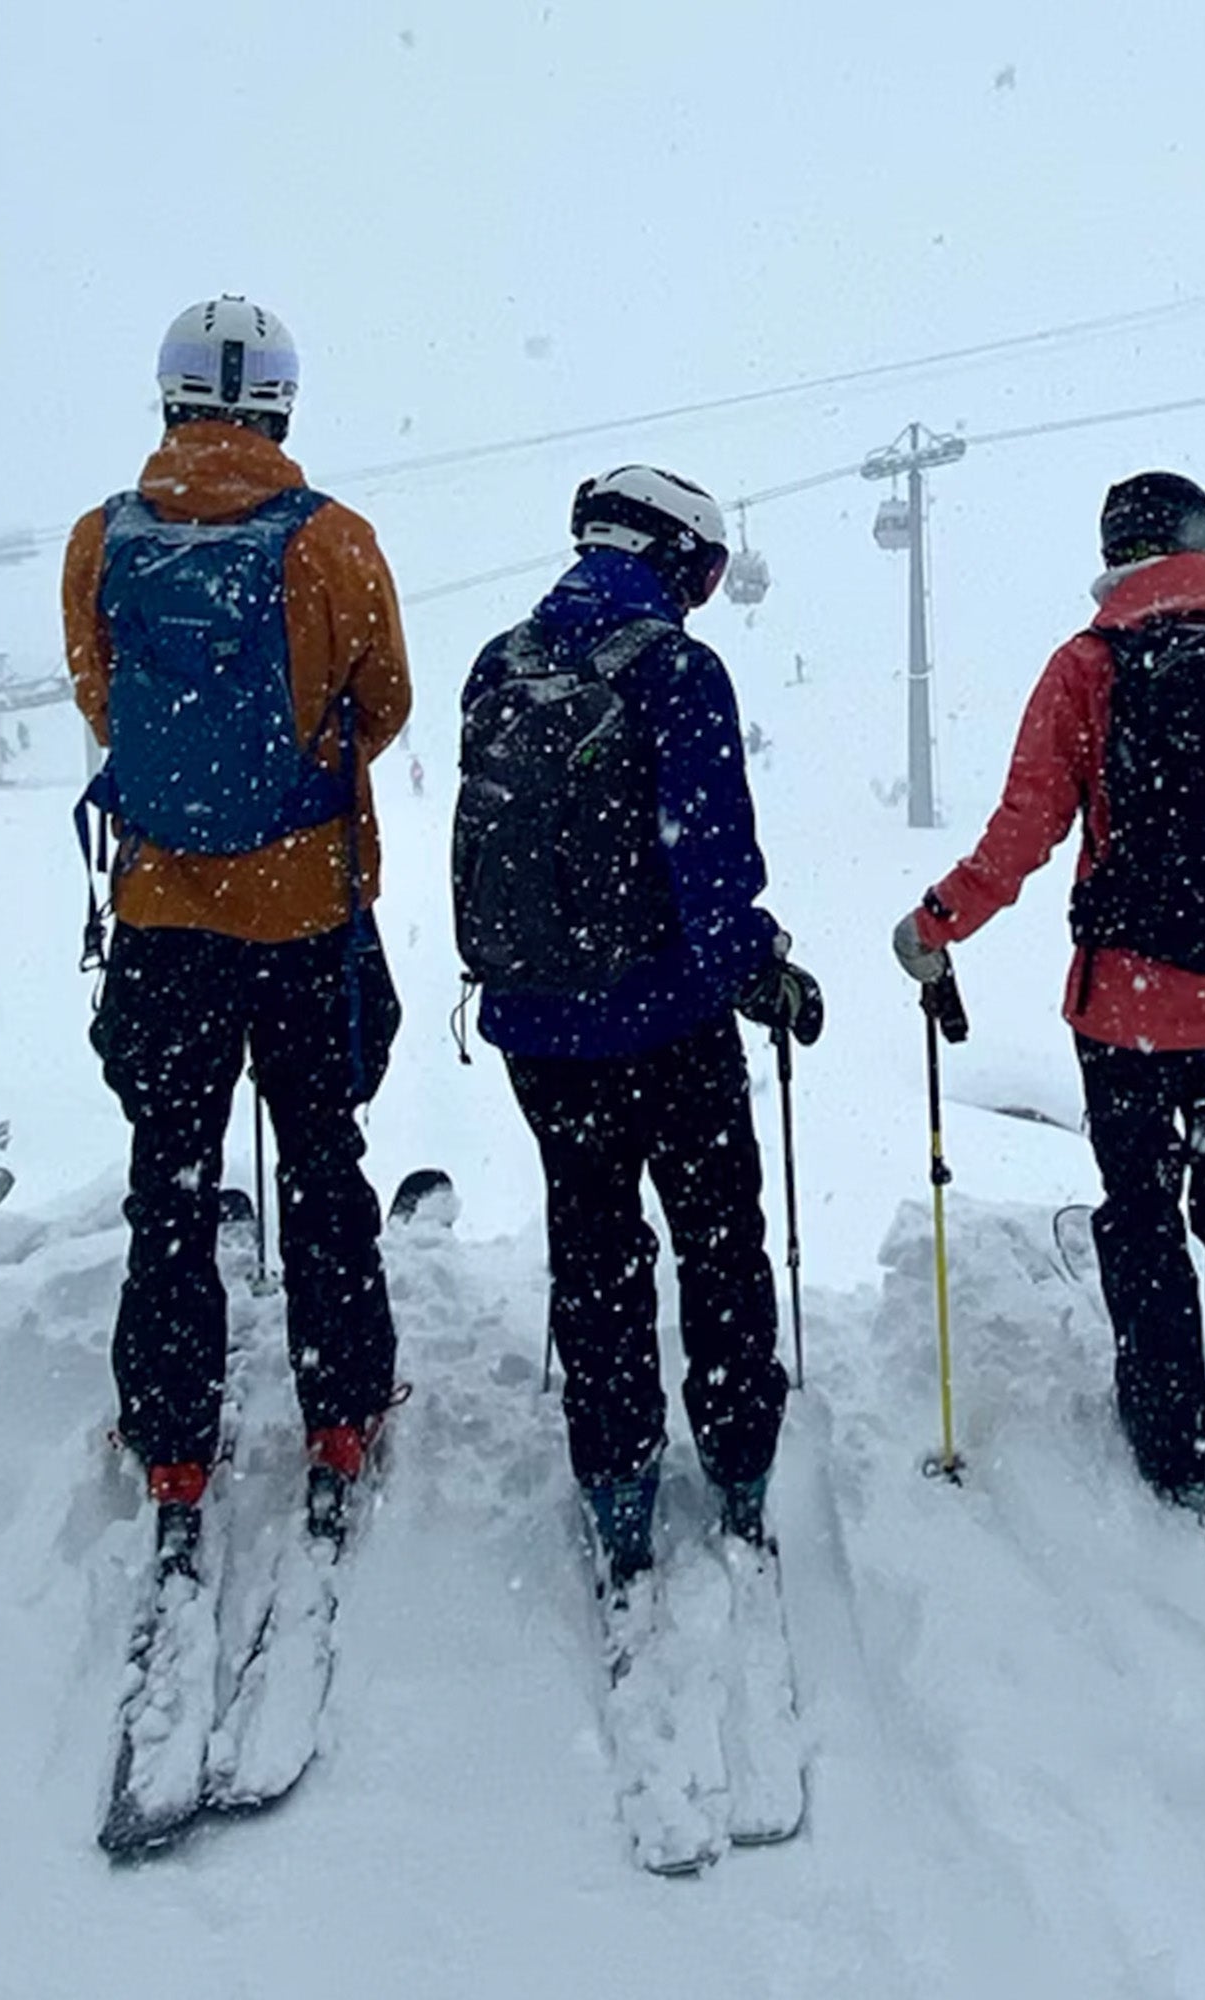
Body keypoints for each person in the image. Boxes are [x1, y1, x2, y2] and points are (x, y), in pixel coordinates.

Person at [892, 471, 1205, 1533]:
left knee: (1141, 1209)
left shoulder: (1088, 666)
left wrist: (935, 921)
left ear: (1112, 552)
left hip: (1123, 1008)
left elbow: (1025, 828)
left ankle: (1168, 1431)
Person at [64, 296, 412, 1568]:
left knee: (169, 1180)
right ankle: (340, 1412)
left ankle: (170, 1435)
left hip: (163, 916)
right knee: (323, 1161)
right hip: (307, 910)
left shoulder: (101, 541)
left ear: (168, 402)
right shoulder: (336, 543)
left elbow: (103, 695)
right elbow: (384, 703)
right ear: (280, 406)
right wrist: (285, 784)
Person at [454, 465, 820, 1602]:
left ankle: (616, 1478)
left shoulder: (498, 660)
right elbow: (711, 866)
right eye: (702, 573)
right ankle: (738, 1458)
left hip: (539, 1028)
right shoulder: (677, 670)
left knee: (596, 1246)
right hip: (666, 1019)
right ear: (674, 558)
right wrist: (759, 969)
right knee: (717, 1238)